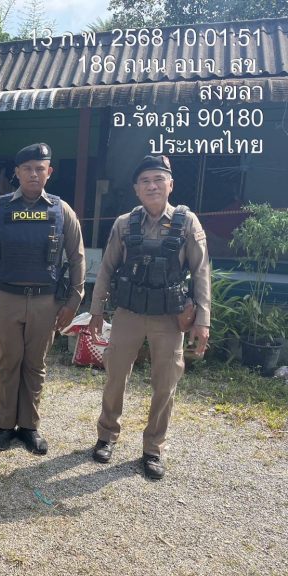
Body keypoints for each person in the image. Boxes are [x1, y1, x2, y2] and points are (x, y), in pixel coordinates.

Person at [88, 155, 211, 480]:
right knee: (115, 377)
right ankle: (106, 436)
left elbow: (201, 272)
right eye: (145, 181)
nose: (152, 186)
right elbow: (107, 268)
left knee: (165, 384)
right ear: (136, 189)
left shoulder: (187, 223)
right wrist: (97, 309)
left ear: (170, 184)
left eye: (158, 179)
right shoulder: (123, 223)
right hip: (128, 314)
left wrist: (203, 320)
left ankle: (153, 449)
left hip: (169, 318)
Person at [0, 143, 85, 453]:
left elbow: (77, 258)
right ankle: (5, 426)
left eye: (40, 168)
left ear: (49, 172)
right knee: (8, 362)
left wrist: (73, 302)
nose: (33, 174)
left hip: (46, 302)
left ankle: (29, 427)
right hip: (5, 299)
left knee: (35, 364)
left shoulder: (62, 211)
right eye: (27, 168)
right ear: (17, 172)